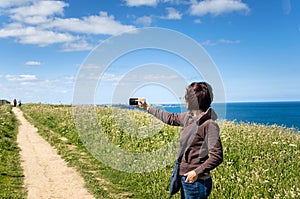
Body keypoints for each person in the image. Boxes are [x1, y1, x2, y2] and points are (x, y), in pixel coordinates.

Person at [137, 82, 223, 199]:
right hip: (185, 177)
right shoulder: (189, 117)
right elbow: (170, 118)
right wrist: (147, 108)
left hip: (196, 182)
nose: (184, 100)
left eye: (186, 97)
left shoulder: (209, 124)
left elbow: (217, 156)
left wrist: (196, 172)